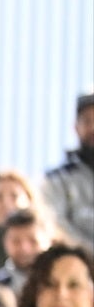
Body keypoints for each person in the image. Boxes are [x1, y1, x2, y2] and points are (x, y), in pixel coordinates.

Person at [42, 92, 94, 249]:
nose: (93, 127)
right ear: (76, 127)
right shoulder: (55, 180)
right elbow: (55, 226)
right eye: (87, 121)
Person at [0, 208, 55, 297]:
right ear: (5, 242)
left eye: (33, 241)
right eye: (16, 241)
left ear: (49, 241)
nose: (24, 249)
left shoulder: (65, 286)